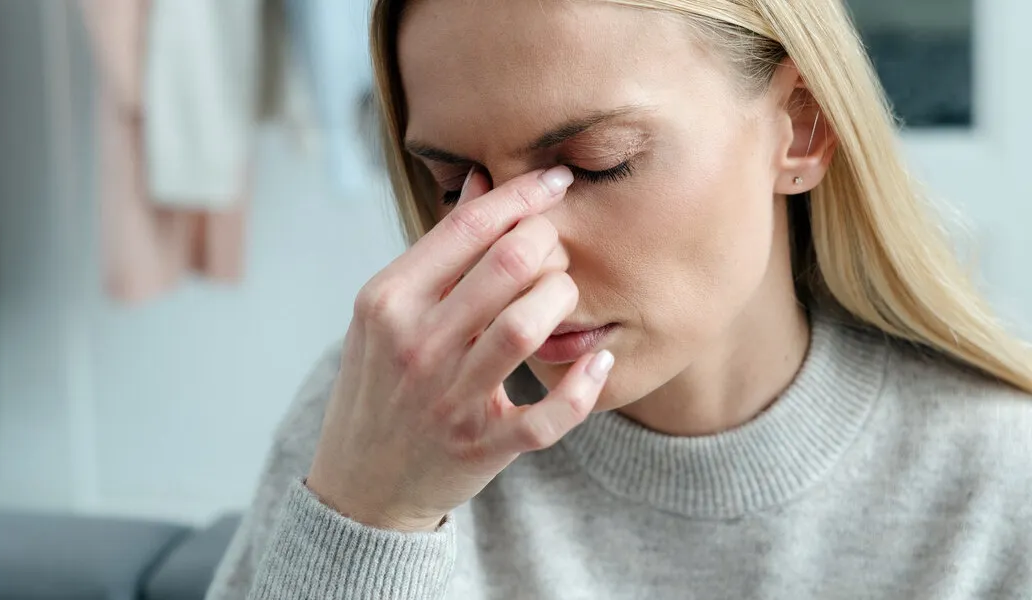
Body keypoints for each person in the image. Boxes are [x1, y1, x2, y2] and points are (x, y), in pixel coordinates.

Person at [207, 0, 1032, 598]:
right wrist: (374, 514)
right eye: (456, 184)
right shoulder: (385, 416)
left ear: (803, 127)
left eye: (597, 164)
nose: (513, 255)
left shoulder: (997, 484)